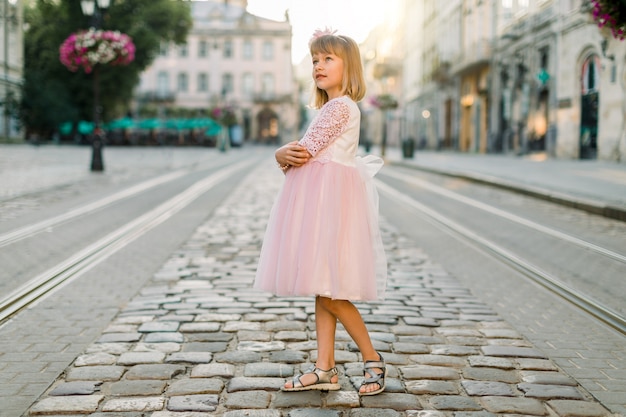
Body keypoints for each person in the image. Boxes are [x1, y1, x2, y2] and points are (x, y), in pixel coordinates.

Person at [254, 28, 388, 396]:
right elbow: (306, 153)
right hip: (325, 200)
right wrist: (287, 154)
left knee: (331, 291)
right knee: (322, 286)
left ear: (350, 67)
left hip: (328, 204)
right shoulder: (332, 107)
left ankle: (372, 358)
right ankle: (325, 367)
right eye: (315, 59)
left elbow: (305, 152)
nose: (318, 65)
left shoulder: (341, 106)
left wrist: (281, 153)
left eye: (328, 59)